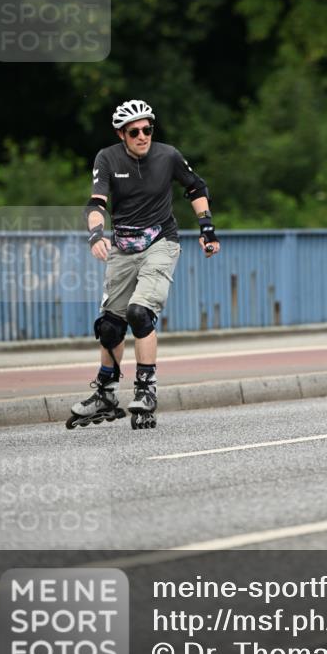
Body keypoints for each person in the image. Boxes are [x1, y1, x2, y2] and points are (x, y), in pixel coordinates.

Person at [66, 99, 220, 430]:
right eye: (134, 131)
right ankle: (106, 393)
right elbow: (95, 204)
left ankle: (146, 389)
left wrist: (207, 229)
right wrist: (96, 235)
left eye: (147, 129)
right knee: (110, 326)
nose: (142, 136)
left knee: (140, 312)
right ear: (121, 134)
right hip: (122, 246)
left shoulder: (168, 155)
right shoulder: (107, 158)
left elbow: (196, 187)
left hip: (161, 242)